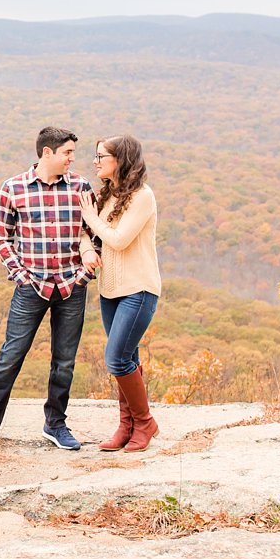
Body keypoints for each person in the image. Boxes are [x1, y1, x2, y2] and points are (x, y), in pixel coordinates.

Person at [0, 126, 101, 451]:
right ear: (48, 153)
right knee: (11, 355)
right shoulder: (13, 188)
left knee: (65, 361)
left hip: (72, 287)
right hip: (31, 286)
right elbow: (2, 238)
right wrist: (21, 276)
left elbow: (95, 232)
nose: (72, 159)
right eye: (67, 153)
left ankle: (55, 424)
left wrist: (83, 276)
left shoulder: (81, 187)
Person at [78, 134, 161, 452]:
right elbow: (87, 236)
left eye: (102, 156)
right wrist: (87, 247)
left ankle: (145, 422)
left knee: (116, 359)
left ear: (120, 160)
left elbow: (119, 239)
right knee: (128, 356)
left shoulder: (143, 196)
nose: (96, 162)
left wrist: (91, 219)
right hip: (110, 290)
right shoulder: (107, 196)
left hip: (138, 289)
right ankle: (127, 426)